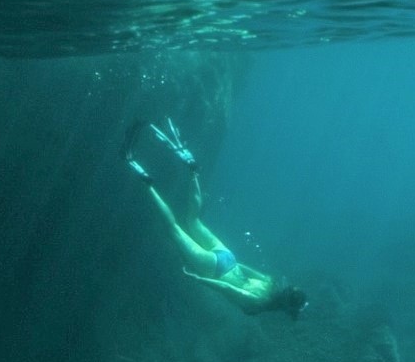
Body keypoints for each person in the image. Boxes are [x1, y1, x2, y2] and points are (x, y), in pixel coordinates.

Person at [126, 119, 308, 319]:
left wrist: (232, 265)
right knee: (174, 229)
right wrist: (200, 279)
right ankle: (144, 179)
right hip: (214, 270)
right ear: (286, 307)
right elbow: (228, 290)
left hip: (227, 257)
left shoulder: (271, 281)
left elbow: (245, 269)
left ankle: (192, 170)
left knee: (193, 220)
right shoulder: (259, 304)